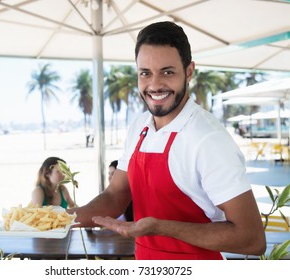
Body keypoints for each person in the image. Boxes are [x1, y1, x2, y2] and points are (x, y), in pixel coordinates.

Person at [68, 21, 266, 260]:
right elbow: (115, 195)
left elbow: (252, 238)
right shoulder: (139, 126)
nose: (154, 84)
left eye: (167, 72)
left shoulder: (208, 139)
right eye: (145, 73)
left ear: (189, 71)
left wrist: (160, 227)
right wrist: (61, 219)